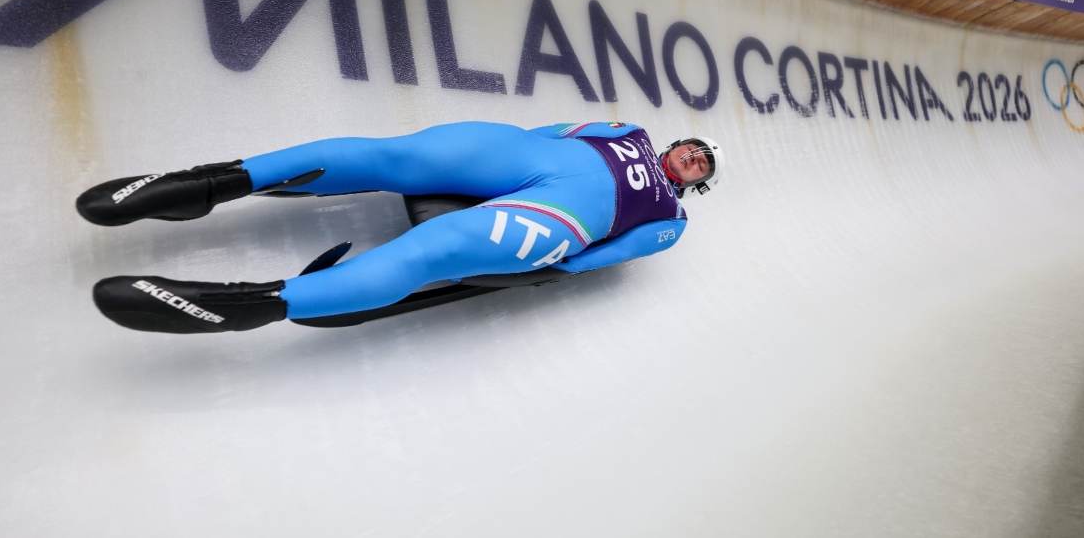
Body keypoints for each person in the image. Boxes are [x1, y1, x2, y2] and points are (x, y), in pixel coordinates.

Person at [77, 121, 724, 333]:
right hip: (530, 157)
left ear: (695, 181)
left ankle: (249, 304)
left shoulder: (672, 219)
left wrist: (545, 264)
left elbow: (594, 261)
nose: (692, 157)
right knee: (397, 155)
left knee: (435, 249)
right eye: (694, 146)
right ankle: (206, 183)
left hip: (560, 220)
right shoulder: (628, 130)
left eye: (701, 164)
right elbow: (552, 130)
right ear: (677, 142)